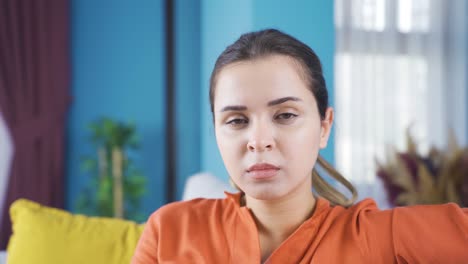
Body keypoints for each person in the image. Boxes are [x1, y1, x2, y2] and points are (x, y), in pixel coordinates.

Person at [132, 29, 468, 263]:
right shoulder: (170, 229)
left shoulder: (379, 237)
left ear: (324, 126)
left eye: (285, 115)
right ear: (216, 130)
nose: (259, 140)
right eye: (236, 120)